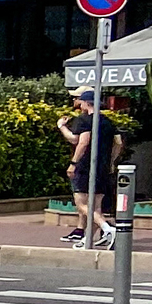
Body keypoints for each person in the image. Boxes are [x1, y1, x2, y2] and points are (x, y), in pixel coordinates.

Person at [61, 88, 122, 248]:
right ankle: (87, 239)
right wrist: (111, 162)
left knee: (81, 204)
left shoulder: (84, 120)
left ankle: (107, 228)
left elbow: (80, 141)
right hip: (102, 167)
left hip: (85, 166)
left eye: (80, 101)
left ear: (86, 103)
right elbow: (118, 143)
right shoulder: (108, 122)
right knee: (96, 207)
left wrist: (73, 163)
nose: (79, 104)